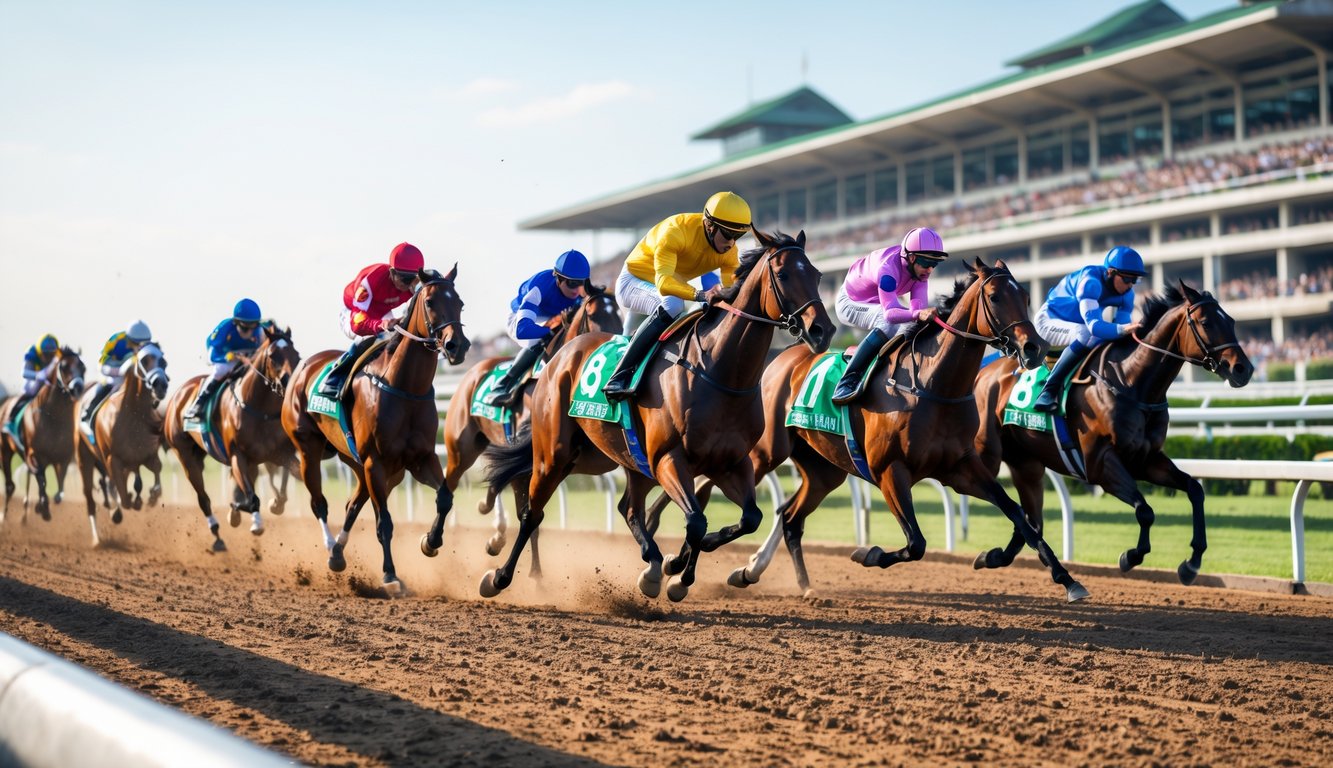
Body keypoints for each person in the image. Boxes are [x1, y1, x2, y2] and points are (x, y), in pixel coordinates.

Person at [601, 191, 751, 401]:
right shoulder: (676, 231)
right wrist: (700, 295)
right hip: (633, 283)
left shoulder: (729, 252)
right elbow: (664, 284)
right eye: (728, 234)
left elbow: (733, 295)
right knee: (674, 305)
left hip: (668, 287)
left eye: (739, 236)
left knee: (698, 310)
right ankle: (619, 376)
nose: (732, 243)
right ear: (710, 225)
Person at [830, 227, 947, 404]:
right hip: (850, 302)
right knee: (888, 322)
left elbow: (917, 315)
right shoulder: (887, 270)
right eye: (926, 263)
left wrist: (921, 316)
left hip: (877, 301)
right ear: (912, 257)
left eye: (934, 264)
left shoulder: (920, 274)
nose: (930, 269)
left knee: (913, 323)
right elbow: (891, 314)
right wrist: (918, 313)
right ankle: (847, 381)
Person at [1030, 245, 1146, 413]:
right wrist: (1124, 328)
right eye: (1127, 279)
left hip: (1077, 326)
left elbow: (1120, 331)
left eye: (1135, 280)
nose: (1130, 285)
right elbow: (1094, 327)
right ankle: (1048, 391)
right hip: (1049, 321)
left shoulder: (1127, 295)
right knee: (1085, 333)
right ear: (1110, 272)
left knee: (1105, 339)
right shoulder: (1090, 282)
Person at [316, 242, 424, 399]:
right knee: (368, 337)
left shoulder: (415, 283)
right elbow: (357, 323)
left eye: (413, 279)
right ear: (392, 273)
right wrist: (380, 325)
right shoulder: (371, 281)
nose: (409, 285)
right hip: (354, 312)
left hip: (382, 311)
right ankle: (334, 377)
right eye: (405, 280)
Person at [483, 249, 589, 408]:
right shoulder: (539, 286)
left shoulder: (582, 291)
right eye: (572, 283)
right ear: (558, 278)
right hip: (522, 318)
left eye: (581, 283)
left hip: (554, 318)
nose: (577, 289)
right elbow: (523, 330)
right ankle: (503, 385)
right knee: (537, 340)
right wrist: (550, 332)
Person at [184, 300, 263, 420]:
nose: (251, 332)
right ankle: (199, 403)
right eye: (246, 328)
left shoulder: (260, 331)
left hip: (248, 354)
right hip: (221, 354)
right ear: (236, 323)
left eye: (254, 327)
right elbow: (212, 356)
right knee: (222, 369)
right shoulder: (225, 330)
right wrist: (230, 356)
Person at [82, 320, 153, 423]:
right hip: (109, 369)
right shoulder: (116, 340)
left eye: (144, 344)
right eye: (137, 344)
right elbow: (102, 364)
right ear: (129, 339)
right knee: (111, 383)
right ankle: (89, 411)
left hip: (130, 373)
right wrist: (119, 371)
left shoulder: (147, 347)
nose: (140, 348)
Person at [6, 334, 61, 434]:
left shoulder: (58, 356)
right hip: (33, 381)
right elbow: (24, 373)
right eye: (46, 354)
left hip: (49, 383)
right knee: (30, 390)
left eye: (51, 355)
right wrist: (38, 375)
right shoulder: (31, 353)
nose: (49, 358)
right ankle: (11, 419)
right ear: (40, 352)